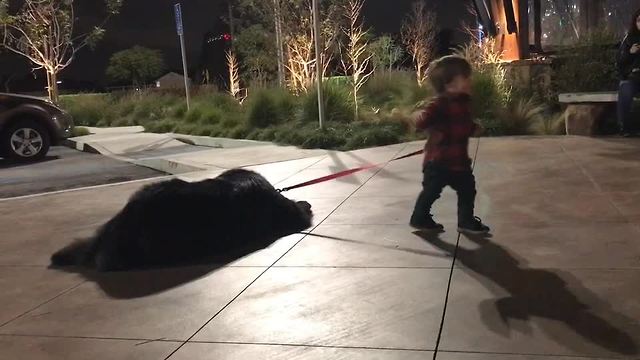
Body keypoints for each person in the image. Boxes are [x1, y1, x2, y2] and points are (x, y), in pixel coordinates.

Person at [410, 55, 490, 235]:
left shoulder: (463, 103)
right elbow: (423, 121)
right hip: (438, 162)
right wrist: (420, 120)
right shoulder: (439, 104)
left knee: (468, 190)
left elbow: (462, 126)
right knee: (431, 191)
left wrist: (474, 128)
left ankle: (466, 220)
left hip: (459, 161)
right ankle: (420, 217)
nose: (470, 81)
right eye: (465, 77)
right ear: (449, 84)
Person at [617, 8, 640, 137]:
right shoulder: (629, 39)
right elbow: (619, 62)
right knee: (626, 90)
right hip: (632, 76)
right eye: (639, 20)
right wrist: (630, 53)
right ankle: (624, 127)